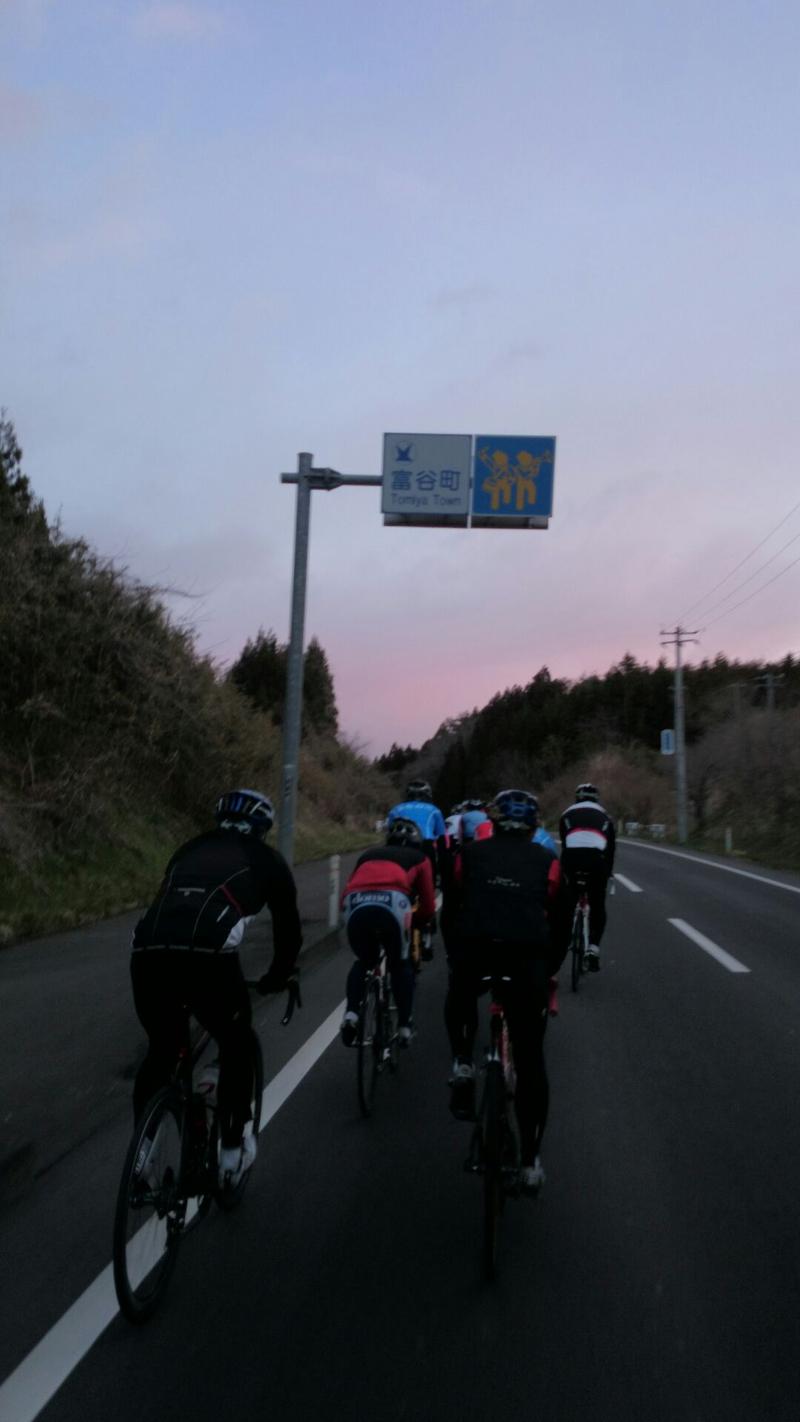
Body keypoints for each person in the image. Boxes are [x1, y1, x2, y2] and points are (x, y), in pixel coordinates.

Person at [131, 788, 302, 1188]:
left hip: (147, 951)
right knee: (236, 1041)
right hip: (207, 957)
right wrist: (278, 975)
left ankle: (143, 1154)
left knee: (163, 1050)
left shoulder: (188, 849)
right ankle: (231, 1153)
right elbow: (288, 931)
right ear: (262, 827)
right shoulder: (267, 859)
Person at [442, 788, 568, 1193]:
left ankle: (462, 1061)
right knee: (530, 1061)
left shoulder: (469, 855)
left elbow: (451, 908)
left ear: (493, 823)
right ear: (533, 827)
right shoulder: (548, 861)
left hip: (475, 954)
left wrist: (455, 955)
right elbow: (561, 922)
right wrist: (548, 968)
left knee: (460, 993)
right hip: (526, 964)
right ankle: (530, 1161)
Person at [339, 818, 436, 1046]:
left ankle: (351, 1014)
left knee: (364, 961)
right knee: (400, 964)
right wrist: (418, 922)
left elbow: (346, 892)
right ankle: (404, 1026)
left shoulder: (368, 855)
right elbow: (429, 905)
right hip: (393, 903)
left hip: (355, 902)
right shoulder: (420, 858)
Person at [385, 779, 447, 959]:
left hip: (398, 849)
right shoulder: (434, 810)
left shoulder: (396, 809)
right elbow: (442, 840)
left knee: (399, 884)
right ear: (428, 795)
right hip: (425, 847)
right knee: (427, 887)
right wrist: (442, 867)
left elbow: (390, 834)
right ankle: (426, 935)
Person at [559, 782, 616, 971]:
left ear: (577, 798)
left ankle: (564, 936)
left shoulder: (566, 813)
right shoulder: (605, 816)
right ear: (596, 799)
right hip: (596, 861)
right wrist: (608, 873)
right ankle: (593, 948)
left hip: (571, 859)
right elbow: (610, 850)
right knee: (597, 904)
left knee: (567, 902)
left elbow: (565, 845)